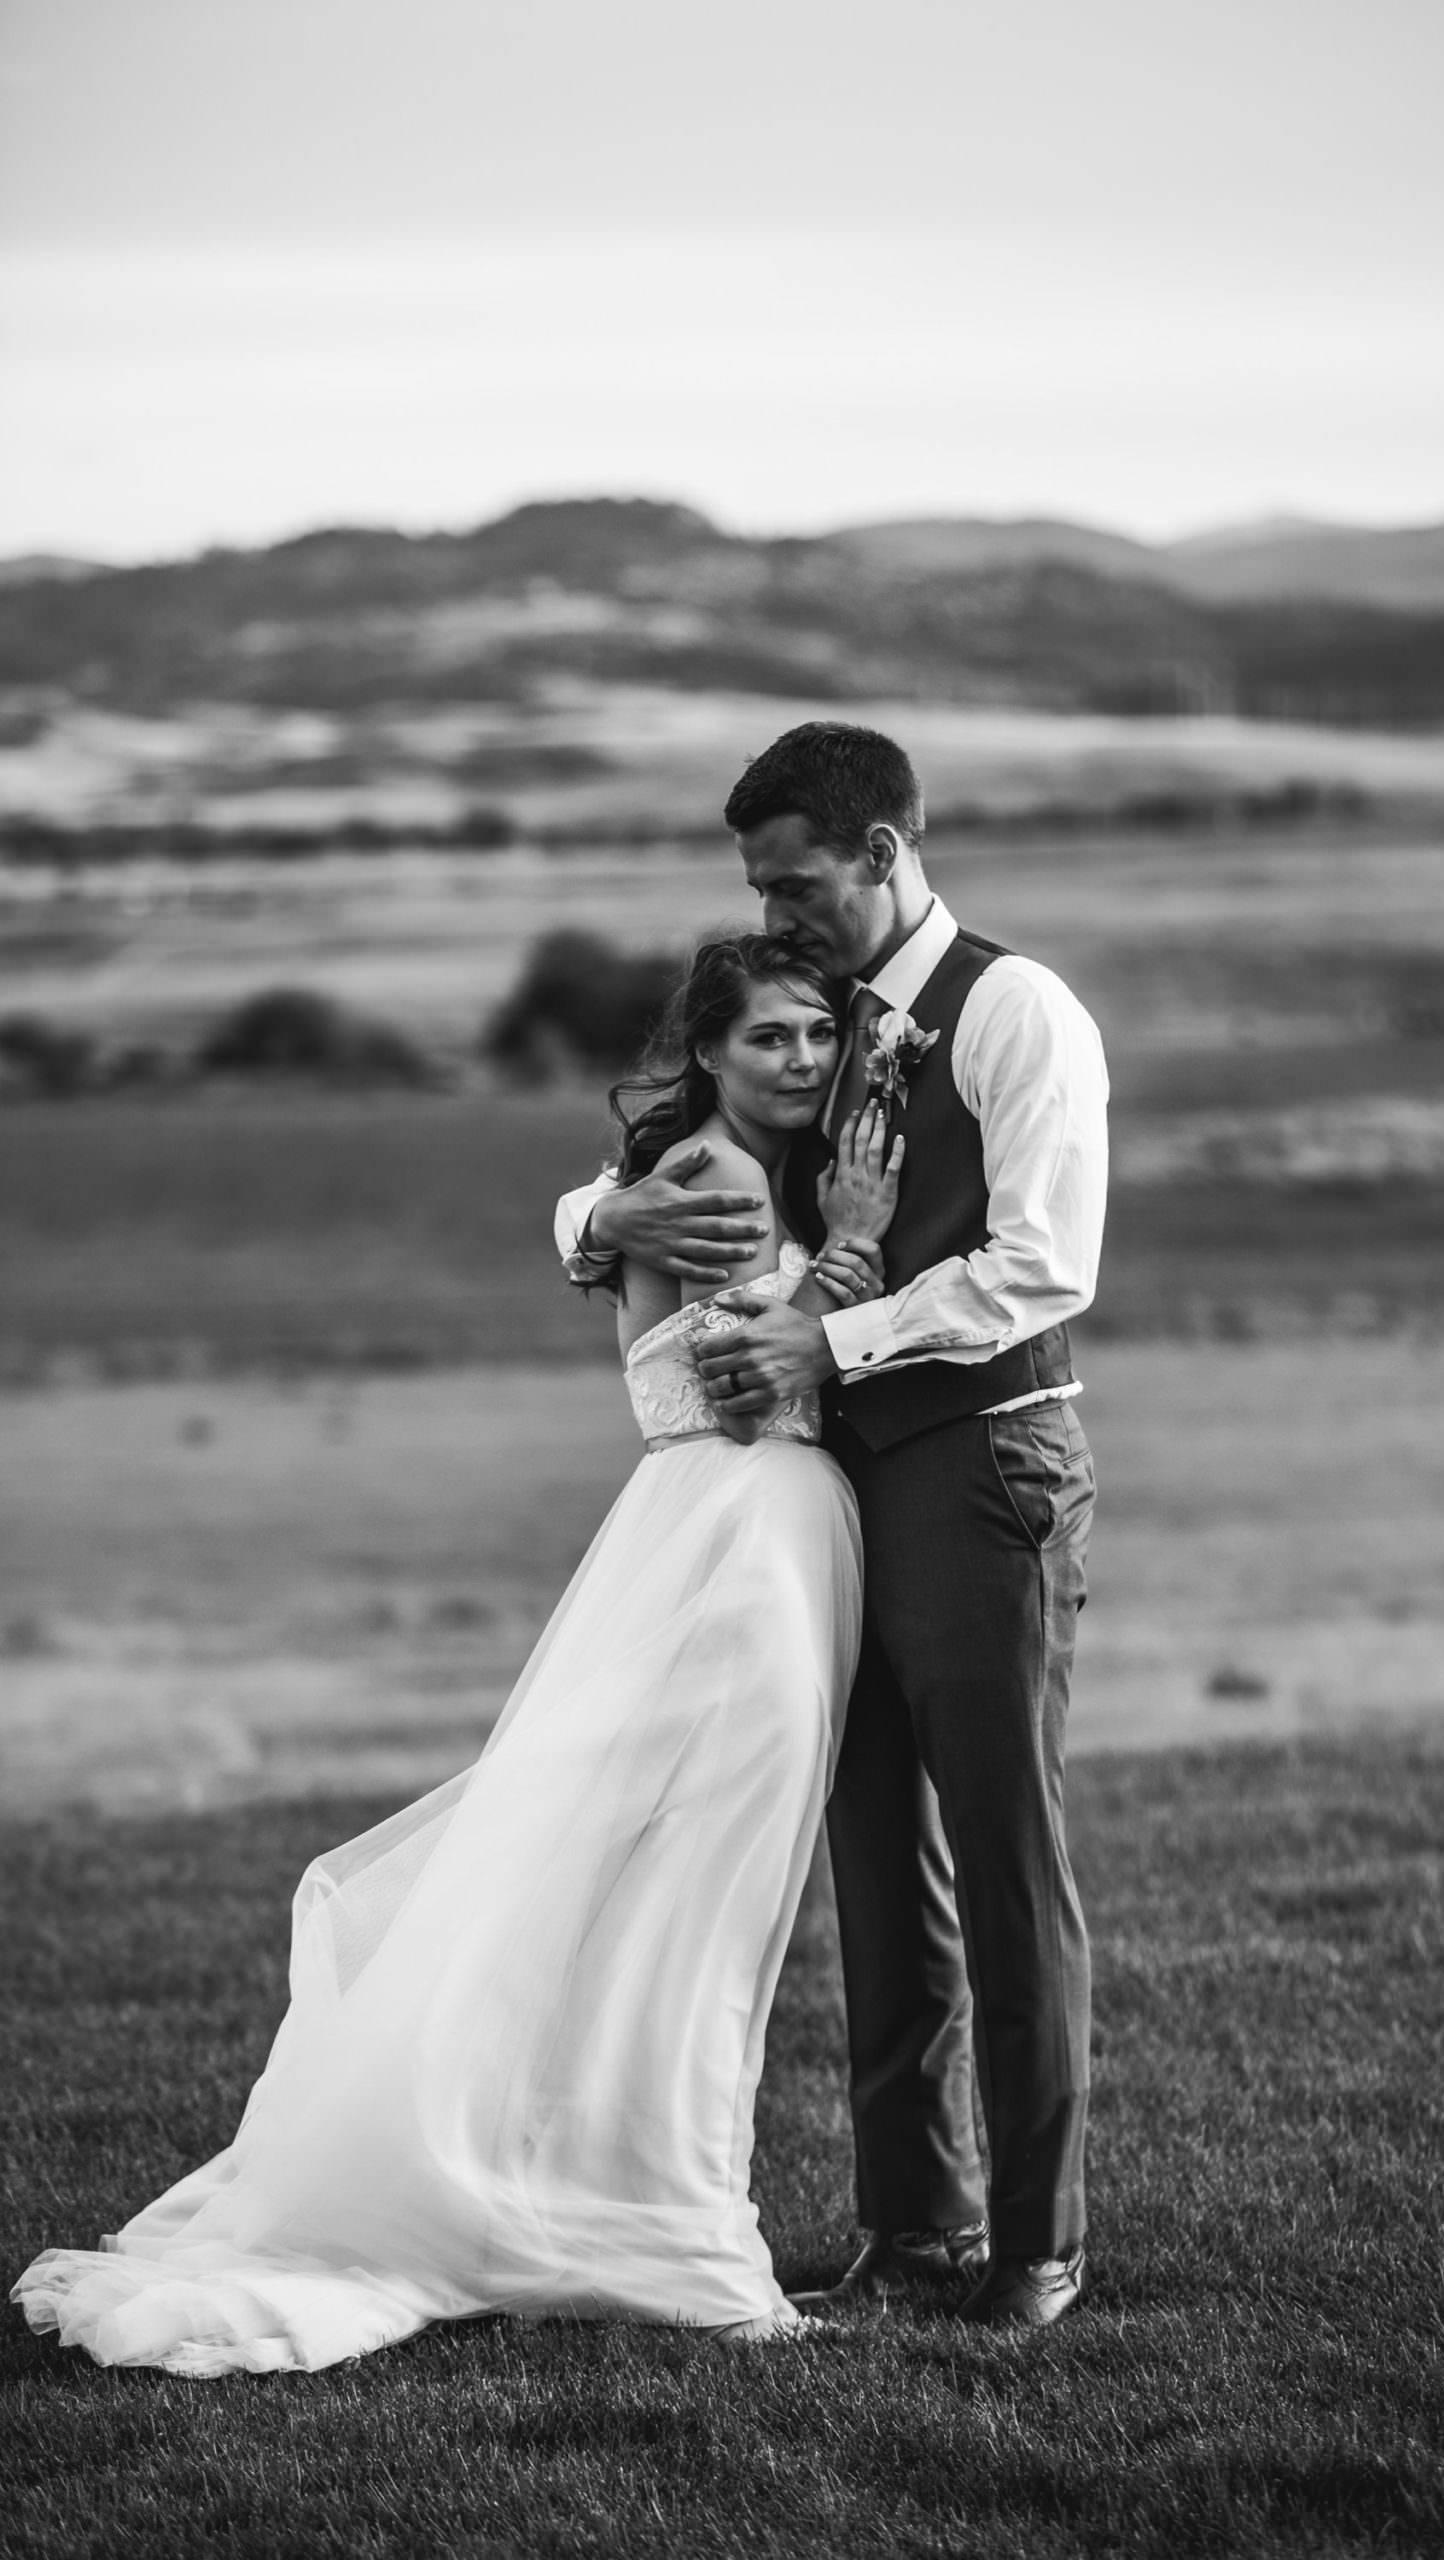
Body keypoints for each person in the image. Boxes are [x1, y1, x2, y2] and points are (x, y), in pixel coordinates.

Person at [12, 935, 900, 2374]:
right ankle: (670, 2232)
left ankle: (628, 2201)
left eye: (818, 1037)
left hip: (739, 1542)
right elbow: (743, 1390)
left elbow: (619, 1248)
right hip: (739, 1537)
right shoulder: (727, 1182)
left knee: (672, 1896)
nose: (801, 1061)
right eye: (771, 1040)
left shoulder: (692, 1176)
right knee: (699, 1905)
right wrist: (854, 1242)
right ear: (709, 1053)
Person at [557, 722, 1108, 2327]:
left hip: (986, 1463)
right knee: (880, 1859)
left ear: (884, 851)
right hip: (841, 1495)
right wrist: (598, 1216)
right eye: (756, 887)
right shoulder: (816, 1035)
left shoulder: (1015, 1011)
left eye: (795, 882)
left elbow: (1046, 1264)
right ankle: (910, 2225)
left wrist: (833, 1338)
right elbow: (659, 1164)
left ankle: (1038, 2245)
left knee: (1004, 1859)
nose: (775, 913)